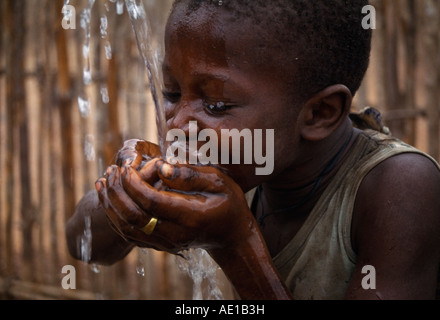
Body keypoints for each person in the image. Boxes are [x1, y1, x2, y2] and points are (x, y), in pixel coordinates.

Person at [66, 0, 440, 300]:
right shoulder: (244, 158)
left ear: (319, 114)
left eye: (216, 105)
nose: (177, 124)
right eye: (172, 92)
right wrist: (124, 193)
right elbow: (81, 244)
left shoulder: (401, 188)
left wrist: (236, 244)